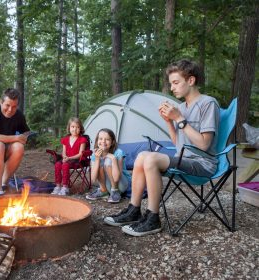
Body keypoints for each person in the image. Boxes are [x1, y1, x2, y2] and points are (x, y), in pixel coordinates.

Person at [104, 59, 220, 237]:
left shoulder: (208, 104)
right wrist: (169, 122)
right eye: (171, 83)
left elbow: (204, 144)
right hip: (184, 158)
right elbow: (178, 143)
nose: (172, 88)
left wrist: (179, 119)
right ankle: (134, 210)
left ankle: (153, 218)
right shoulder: (181, 107)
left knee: (150, 159)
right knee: (142, 155)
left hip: (203, 163)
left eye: (175, 83)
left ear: (191, 80)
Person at [85, 128, 131, 203]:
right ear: (97, 141)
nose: (103, 141)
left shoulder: (118, 152)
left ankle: (115, 192)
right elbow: (93, 180)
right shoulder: (95, 154)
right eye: (100, 139)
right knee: (99, 163)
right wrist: (97, 159)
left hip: (121, 184)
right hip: (107, 184)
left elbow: (116, 178)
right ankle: (103, 191)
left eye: (107, 139)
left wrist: (113, 159)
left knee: (108, 160)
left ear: (112, 142)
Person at [51, 117, 88, 196]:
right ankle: (58, 186)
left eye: (78, 127)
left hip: (77, 160)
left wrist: (69, 158)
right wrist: (64, 157)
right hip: (67, 159)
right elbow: (63, 152)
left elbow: (80, 154)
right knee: (57, 164)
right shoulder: (65, 139)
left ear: (80, 129)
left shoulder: (82, 139)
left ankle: (65, 187)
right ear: (69, 128)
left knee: (65, 165)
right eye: (73, 127)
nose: (75, 129)